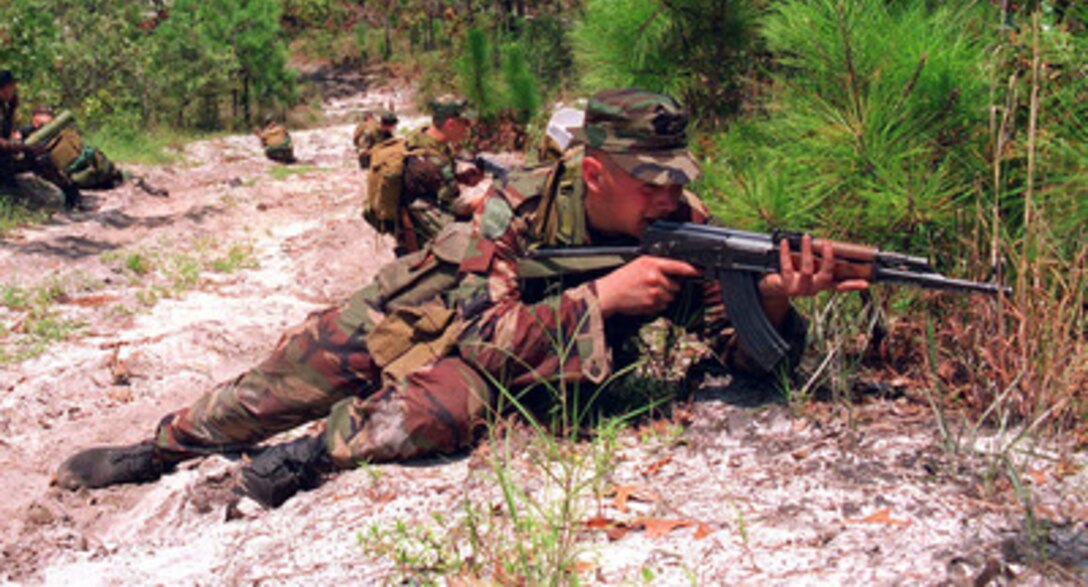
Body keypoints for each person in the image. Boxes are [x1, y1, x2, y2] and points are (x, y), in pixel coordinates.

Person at [55, 88, 868, 509]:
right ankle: (163, 447)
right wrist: (608, 299)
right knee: (273, 388)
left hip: (521, 363)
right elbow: (482, 331)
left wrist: (778, 298)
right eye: (651, 178)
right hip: (416, 307)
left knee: (430, 411)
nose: (671, 194)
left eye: (676, 177)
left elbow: (741, 349)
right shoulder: (515, 207)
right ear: (594, 173)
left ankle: (308, 457)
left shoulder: (681, 227)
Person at [364, 94, 483, 255]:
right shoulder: (432, 162)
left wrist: (460, 178)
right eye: (466, 123)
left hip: (416, 217)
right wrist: (486, 199)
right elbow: (456, 207)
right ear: (451, 124)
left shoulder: (420, 137)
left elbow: (429, 181)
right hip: (422, 236)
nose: (468, 128)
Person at [0, 71, 82, 210]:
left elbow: (9, 132)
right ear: (4, 88)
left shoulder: (6, 105)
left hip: (6, 154)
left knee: (39, 150)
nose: (14, 89)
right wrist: (24, 147)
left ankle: (70, 192)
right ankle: (69, 195)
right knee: (39, 158)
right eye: (12, 87)